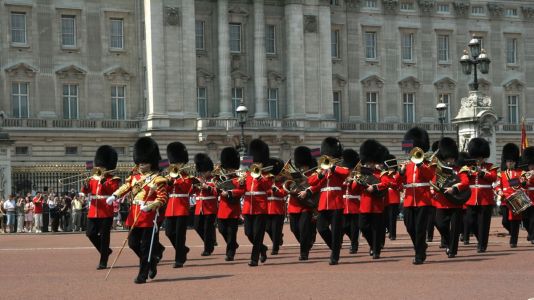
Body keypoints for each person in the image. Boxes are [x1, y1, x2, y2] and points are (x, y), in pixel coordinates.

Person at [108, 137, 168, 284]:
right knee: (133, 243)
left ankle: (143, 273)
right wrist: (115, 195)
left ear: (151, 162)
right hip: (134, 212)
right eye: (140, 161)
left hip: (148, 215)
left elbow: (162, 199)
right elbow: (126, 187)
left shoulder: (158, 179)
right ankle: (152, 261)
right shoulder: (134, 177)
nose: (141, 164)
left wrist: (150, 206)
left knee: (146, 246)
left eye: (144, 162)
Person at [306, 137, 350, 265]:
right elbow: (311, 181)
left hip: (336, 202)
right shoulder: (322, 169)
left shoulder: (339, 166)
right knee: (321, 228)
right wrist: (321, 174)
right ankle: (335, 247)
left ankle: (334, 256)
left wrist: (334, 168)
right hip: (323, 203)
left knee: (336, 231)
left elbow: (345, 172)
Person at [81, 145, 121, 269]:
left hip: (106, 211)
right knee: (90, 233)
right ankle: (106, 251)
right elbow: (87, 191)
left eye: (102, 167)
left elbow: (114, 191)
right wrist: (85, 185)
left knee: (104, 237)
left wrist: (104, 182)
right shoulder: (93, 178)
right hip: (93, 210)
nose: (99, 168)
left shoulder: (113, 179)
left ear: (107, 167)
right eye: (99, 166)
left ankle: (103, 260)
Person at [400, 127, 434, 265]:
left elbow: (431, 176)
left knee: (420, 228)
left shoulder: (427, 163)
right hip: (409, 200)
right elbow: (399, 182)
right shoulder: (407, 165)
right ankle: (421, 246)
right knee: (409, 227)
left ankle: (419, 255)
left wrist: (420, 165)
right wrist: (401, 172)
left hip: (423, 199)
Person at [432, 137, 469, 258]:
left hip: (455, 202)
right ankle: (448, 241)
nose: (450, 160)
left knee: (455, 228)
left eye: (452, 158)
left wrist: (454, 188)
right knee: (440, 224)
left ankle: (452, 250)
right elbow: (433, 183)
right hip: (441, 202)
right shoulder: (439, 171)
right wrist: (433, 189)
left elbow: (465, 182)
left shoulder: (460, 170)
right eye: (448, 158)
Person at [353, 140, 388, 259]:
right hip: (364, 205)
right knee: (363, 227)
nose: (368, 165)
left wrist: (374, 187)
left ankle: (376, 250)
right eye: (367, 163)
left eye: (370, 163)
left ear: (374, 162)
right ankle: (373, 245)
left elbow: (386, 183)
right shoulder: (361, 174)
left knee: (375, 229)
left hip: (376, 206)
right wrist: (355, 181)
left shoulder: (380, 174)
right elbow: (354, 189)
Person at [241, 139, 273, 267]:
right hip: (248, 207)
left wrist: (259, 177)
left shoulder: (267, 175)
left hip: (260, 208)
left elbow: (267, 188)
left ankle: (254, 259)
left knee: (258, 233)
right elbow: (242, 190)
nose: (256, 164)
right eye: (254, 162)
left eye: (258, 162)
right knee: (248, 233)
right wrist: (240, 183)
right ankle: (262, 248)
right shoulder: (247, 174)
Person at [464, 138, 498, 253]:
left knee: (484, 223)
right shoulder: (468, 167)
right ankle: (481, 240)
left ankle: (482, 245)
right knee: (470, 221)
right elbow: (463, 180)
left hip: (485, 198)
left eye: (480, 157)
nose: (478, 159)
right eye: (476, 157)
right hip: (471, 198)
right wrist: (468, 175)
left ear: (483, 156)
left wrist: (482, 173)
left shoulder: (490, 167)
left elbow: (493, 178)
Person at [290, 146, 317, 261]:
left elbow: (316, 187)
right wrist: (292, 190)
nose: (302, 168)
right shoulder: (294, 174)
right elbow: (288, 186)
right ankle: (307, 242)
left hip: (306, 206)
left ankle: (304, 252)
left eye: (304, 166)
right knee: (294, 229)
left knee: (303, 229)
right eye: (301, 166)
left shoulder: (313, 175)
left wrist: (306, 191)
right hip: (294, 205)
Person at [217, 147, 244, 262]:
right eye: (227, 168)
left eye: (231, 168)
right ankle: (233, 245)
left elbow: (241, 191)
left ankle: (230, 253)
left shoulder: (239, 180)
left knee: (231, 233)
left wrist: (228, 192)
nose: (229, 170)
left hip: (233, 209)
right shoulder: (221, 179)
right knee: (222, 230)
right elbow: (215, 189)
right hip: (222, 209)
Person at [495, 143, 524, 248]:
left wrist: (523, 181)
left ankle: (513, 241)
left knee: (515, 221)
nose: (510, 163)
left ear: (514, 162)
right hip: (504, 200)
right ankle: (513, 233)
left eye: (511, 161)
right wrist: (499, 191)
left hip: (516, 199)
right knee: (505, 221)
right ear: (505, 162)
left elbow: (523, 184)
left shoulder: (520, 173)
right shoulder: (501, 174)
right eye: (508, 161)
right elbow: (497, 186)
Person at [192, 153, 218, 256]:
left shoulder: (214, 179)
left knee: (208, 229)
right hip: (199, 207)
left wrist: (206, 186)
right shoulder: (198, 178)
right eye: (201, 172)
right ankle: (210, 242)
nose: (203, 174)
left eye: (205, 172)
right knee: (197, 226)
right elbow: (190, 192)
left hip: (210, 207)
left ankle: (208, 249)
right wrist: (194, 186)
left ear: (209, 170)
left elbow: (217, 191)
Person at [266, 158, 287, 255]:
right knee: (268, 228)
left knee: (275, 230)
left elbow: (284, 193)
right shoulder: (267, 182)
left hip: (278, 210)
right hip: (266, 209)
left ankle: (275, 248)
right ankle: (278, 238)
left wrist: (276, 190)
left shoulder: (282, 183)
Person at [341, 149, 361, 254]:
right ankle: (354, 241)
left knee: (354, 228)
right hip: (344, 204)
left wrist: (353, 180)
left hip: (354, 204)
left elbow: (356, 189)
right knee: (344, 226)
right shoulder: (343, 174)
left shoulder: (357, 175)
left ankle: (354, 245)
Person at [384, 154, 403, 241]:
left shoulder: (397, 174)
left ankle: (393, 234)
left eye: (391, 168)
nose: (390, 169)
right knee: (386, 217)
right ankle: (388, 229)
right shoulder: (384, 174)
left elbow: (399, 185)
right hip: (385, 198)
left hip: (394, 198)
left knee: (392, 218)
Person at [521, 146, 534, 244]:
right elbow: (518, 184)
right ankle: (530, 233)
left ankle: (532, 235)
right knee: (525, 219)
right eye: (530, 165)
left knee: (533, 218)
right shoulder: (524, 173)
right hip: (525, 198)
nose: (531, 166)